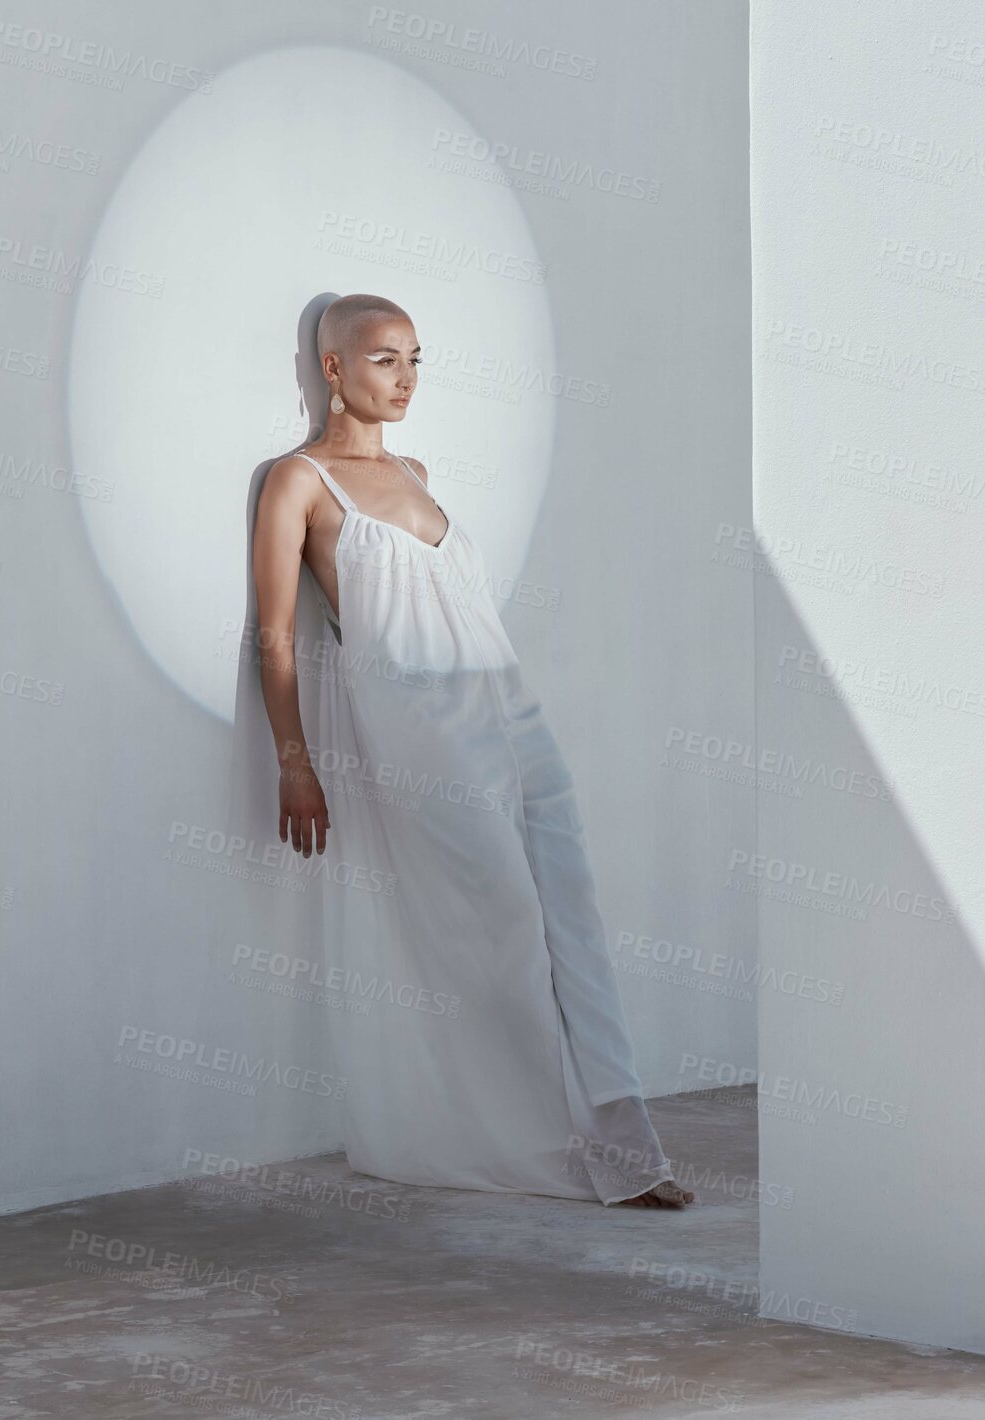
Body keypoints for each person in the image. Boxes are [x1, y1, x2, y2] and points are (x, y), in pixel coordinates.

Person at [239, 292, 692, 1208]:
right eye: (381, 359)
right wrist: (296, 760)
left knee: (573, 919)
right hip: (417, 733)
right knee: (506, 929)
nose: (404, 378)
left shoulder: (414, 468)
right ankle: (549, 1146)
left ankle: (621, 1144)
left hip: (506, 709)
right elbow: (276, 636)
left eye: (414, 358)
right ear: (332, 369)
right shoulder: (298, 481)